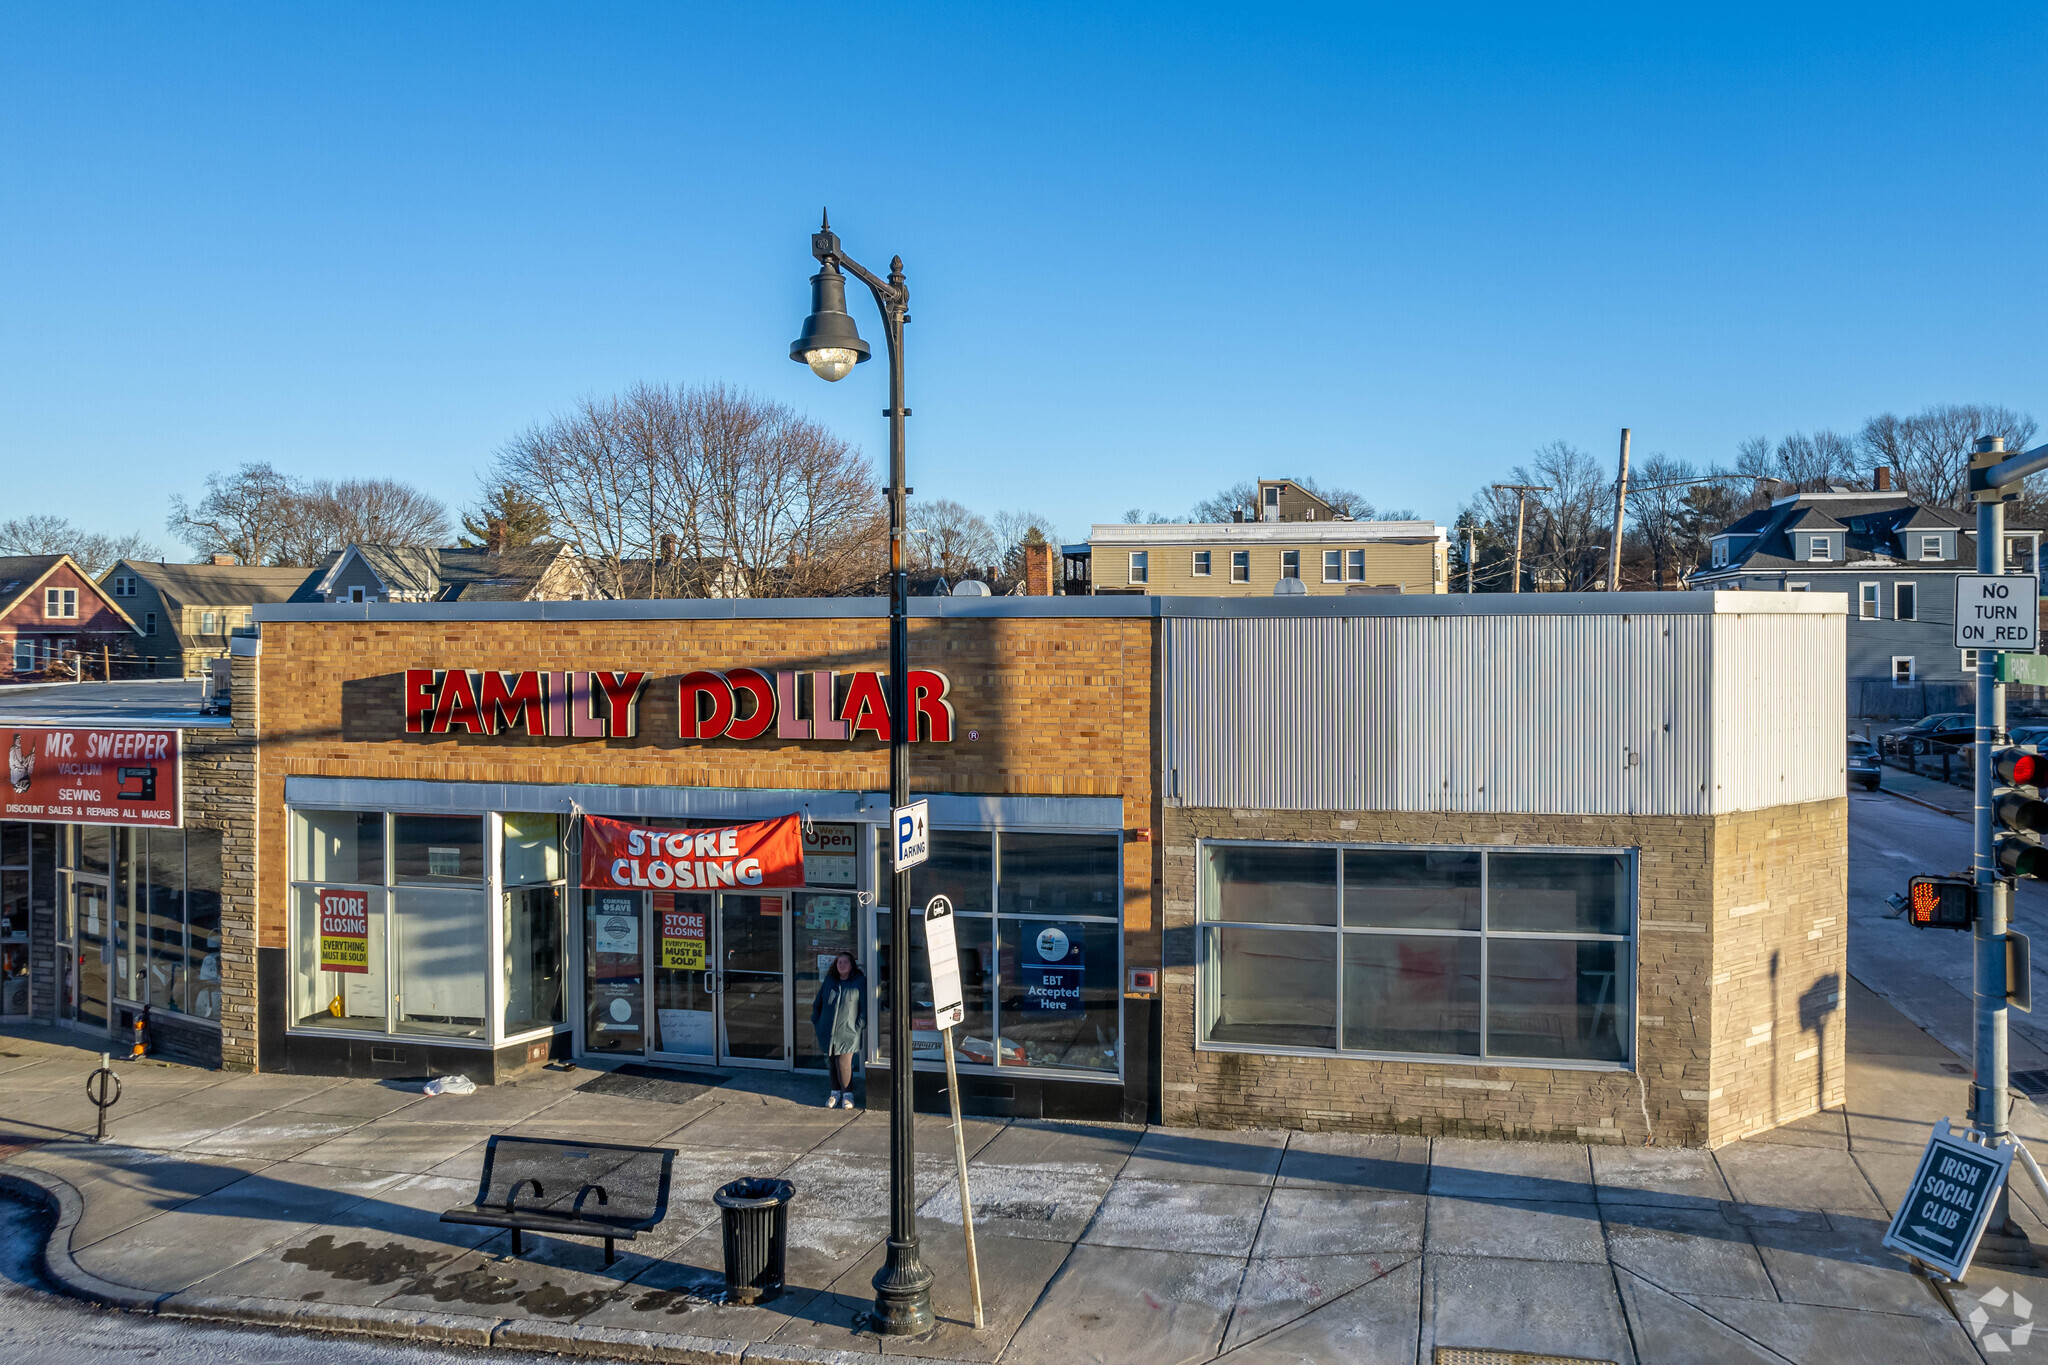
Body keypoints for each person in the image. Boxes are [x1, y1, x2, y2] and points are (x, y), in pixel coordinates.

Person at [811, 951, 866, 1109]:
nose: (842, 965)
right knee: (832, 1062)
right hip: (828, 1030)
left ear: (851, 964)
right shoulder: (830, 981)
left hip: (849, 1031)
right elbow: (818, 1002)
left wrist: (860, 1024)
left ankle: (848, 1095)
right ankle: (835, 1093)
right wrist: (816, 1020)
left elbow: (863, 1005)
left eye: (845, 962)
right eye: (839, 962)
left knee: (843, 1062)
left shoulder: (859, 981)